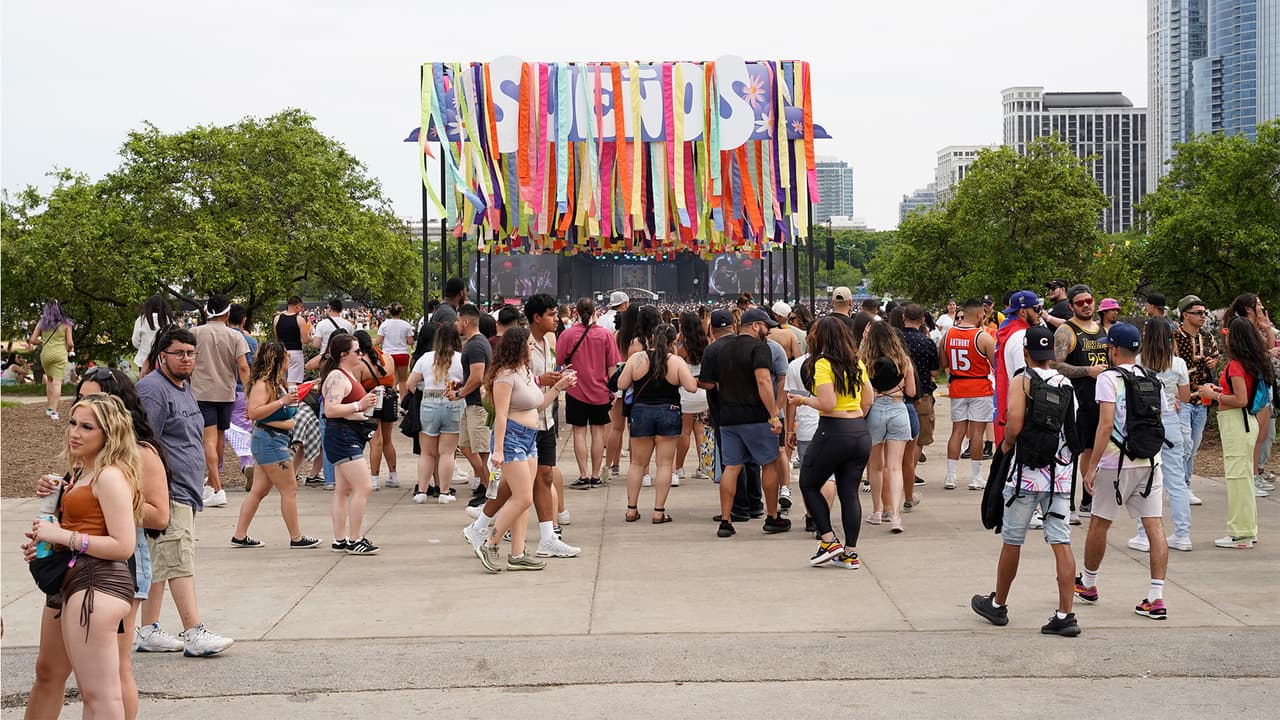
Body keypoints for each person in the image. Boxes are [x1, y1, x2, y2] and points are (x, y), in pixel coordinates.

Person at [26, 370, 171, 720]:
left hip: (99, 579)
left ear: (112, 425)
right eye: (73, 420)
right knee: (56, 676)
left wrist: (64, 537)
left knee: (102, 691)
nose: (75, 431)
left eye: (86, 425)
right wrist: (54, 524)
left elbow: (133, 535)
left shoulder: (117, 469)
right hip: (72, 575)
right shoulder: (83, 469)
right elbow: (80, 520)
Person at [970, 326, 1080, 636]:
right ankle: (1065, 613)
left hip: (1025, 476)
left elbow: (1014, 425)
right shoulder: (1066, 384)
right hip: (1059, 474)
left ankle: (999, 603)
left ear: (1027, 353)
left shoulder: (1022, 380)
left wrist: (1005, 450)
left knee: (1013, 539)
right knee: (1061, 541)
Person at [135, 325, 235, 656]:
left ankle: (147, 630)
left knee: (162, 563)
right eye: (179, 353)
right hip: (168, 491)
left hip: (187, 490)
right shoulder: (152, 391)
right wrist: (155, 489)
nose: (187, 359)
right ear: (161, 355)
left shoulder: (183, 385)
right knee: (179, 561)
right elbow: (143, 445)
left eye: (191, 353)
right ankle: (194, 633)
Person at [1076, 322, 1170, 620]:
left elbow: (1105, 425)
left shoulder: (1108, 379)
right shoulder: (1152, 378)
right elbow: (1161, 416)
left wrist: (1091, 466)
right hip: (1150, 462)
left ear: (1114, 349)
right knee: (1154, 526)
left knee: (1099, 524)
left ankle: (1089, 583)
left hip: (1116, 464)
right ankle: (1156, 597)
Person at [472, 328, 577, 572]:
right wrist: (497, 451)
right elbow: (500, 416)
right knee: (522, 497)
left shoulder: (524, 372)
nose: (532, 347)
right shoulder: (505, 377)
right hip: (511, 440)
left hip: (529, 438)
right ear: (518, 346)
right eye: (529, 344)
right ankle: (489, 542)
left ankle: (517, 554)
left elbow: (538, 405)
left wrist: (560, 387)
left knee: (523, 499)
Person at [788, 316, 873, 568]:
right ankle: (851, 552)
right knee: (849, 492)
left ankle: (828, 539)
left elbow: (827, 403)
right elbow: (868, 398)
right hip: (859, 430)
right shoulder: (856, 361)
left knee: (808, 483)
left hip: (833, 429)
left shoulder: (823, 363)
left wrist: (802, 400)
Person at [699, 307, 790, 537]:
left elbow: (709, 382)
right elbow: (763, 382)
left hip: (728, 418)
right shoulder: (760, 349)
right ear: (756, 326)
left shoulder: (721, 348)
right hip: (757, 417)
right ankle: (771, 516)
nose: (769, 332)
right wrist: (773, 414)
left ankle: (726, 521)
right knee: (768, 463)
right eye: (766, 326)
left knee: (732, 467)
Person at [229, 342, 321, 549]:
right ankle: (296, 537)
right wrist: (283, 403)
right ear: (278, 359)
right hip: (270, 442)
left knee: (259, 491)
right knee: (289, 489)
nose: (290, 360)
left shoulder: (276, 383)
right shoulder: (263, 384)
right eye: (287, 356)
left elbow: (265, 415)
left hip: (272, 440)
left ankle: (239, 535)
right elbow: (254, 413)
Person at [1198, 316, 1274, 549]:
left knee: (1238, 480)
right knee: (1243, 479)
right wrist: (1222, 391)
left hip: (1236, 424)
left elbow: (1240, 399)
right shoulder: (1251, 362)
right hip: (1246, 422)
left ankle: (1240, 534)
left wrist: (1215, 396)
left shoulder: (1236, 365)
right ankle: (1247, 530)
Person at [618, 322, 699, 523]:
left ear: (651, 338)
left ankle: (631, 508)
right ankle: (658, 511)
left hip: (641, 411)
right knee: (664, 464)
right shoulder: (676, 362)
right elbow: (692, 387)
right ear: (674, 341)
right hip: (668, 411)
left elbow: (621, 384)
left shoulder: (637, 359)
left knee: (637, 463)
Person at [1126, 320, 1193, 552]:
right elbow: (1185, 398)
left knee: (1144, 480)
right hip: (1170, 423)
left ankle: (1144, 534)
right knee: (1176, 481)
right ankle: (1182, 534)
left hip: (1144, 424)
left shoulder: (1137, 362)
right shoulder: (1178, 364)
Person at [319, 333, 382, 555]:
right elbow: (331, 409)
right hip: (343, 436)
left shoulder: (345, 375)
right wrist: (359, 404)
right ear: (344, 355)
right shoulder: (337, 377)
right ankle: (355, 539)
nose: (361, 354)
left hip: (348, 434)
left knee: (343, 489)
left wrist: (365, 402)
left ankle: (340, 539)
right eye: (357, 351)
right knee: (363, 486)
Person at [1052, 284, 1110, 521]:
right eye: (1080, 303)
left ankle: (1089, 500)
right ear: (1071, 306)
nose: (1086, 305)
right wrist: (1088, 370)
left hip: (1103, 400)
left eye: (1089, 301)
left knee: (1096, 451)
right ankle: (1069, 504)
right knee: (1073, 452)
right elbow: (1055, 364)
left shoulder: (1103, 330)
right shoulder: (1066, 331)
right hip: (1076, 400)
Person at [190, 294, 251, 508]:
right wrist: (251, 395)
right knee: (218, 439)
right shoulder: (235, 336)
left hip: (201, 393)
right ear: (226, 314)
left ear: (207, 311)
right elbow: (243, 367)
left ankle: (216, 487)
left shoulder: (195, 333)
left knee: (208, 440)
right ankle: (212, 484)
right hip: (226, 393)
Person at [557, 298, 620, 489]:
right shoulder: (605, 335)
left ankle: (583, 475)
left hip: (575, 390)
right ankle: (595, 475)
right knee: (598, 432)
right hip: (601, 391)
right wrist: (613, 391)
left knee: (579, 432)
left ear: (575, 312)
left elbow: (560, 360)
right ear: (595, 312)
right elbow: (612, 367)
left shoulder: (567, 335)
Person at [861, 321, 917, 533]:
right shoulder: (903, 360)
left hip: (874, 409)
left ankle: (877, 511)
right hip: (898, 408)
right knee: (895, 467)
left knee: (875, 466)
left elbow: (862, 392)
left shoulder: (865, 361)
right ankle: (895, 516)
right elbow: (911, 391)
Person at [940, 298, 996, 491]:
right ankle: (975, 476)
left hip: (957, 386)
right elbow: (996, 365)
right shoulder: (983, 337)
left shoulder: (947, 335)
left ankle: (951, 475)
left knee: (957, 431)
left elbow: (943, 362)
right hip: (979, 386)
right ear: (980, 314)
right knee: (977, 432)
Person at [407, 323, 465, 504]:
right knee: (447, 453)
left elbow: (410, 383)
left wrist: (423, 390)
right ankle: (444, 492)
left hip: (429, 402)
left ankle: (422, 491)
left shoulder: (426, 358)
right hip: (452, 403)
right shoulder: (461, 359)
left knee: (427, 453)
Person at [1173, 294, 1218, 506]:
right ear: (1185, 315)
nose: (1203, 316)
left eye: (1204, 312)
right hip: (1181, 398)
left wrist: (1212, 362)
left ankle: (1185, 484)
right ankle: (1182, 485)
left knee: (1193, 445)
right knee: (1185, 443)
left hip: (1202, 398)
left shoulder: (1207, 337)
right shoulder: (1173, 336)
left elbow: (1216, 356)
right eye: (1198, 313)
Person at [454, 303, 494, 505]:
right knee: (466, 445)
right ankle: (486, 485)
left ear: (466, 321)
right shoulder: (476, 343)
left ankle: (490, 491)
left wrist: (460, 392)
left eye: (458, 320)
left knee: (480, 449)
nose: (456, 324)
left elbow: (477, 376)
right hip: (472, 403)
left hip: (478, 404)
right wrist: (460, 387)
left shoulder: (475, 345)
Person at [899, 303, 939, 499]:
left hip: (896, 395)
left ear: (903, 316)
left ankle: (898, 473)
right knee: (918, 440)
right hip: (921, 396)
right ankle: (909, 473)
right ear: (922, 319)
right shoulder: (927, 342)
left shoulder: (895, 341)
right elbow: (934, 372)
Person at [354, 330, 399, 491]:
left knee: (376, 441)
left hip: (371, 400)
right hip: (388, 398)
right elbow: (393, 381)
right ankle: (394, 475)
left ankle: (374, 478)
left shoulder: (359, 364)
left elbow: (356, 388)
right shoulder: (388, 357)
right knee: (387, 440)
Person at [674, 311, 710, 482]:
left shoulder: (681, 349)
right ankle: (703, 467)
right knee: (701, 432)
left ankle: (679, 468)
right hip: (704, 393)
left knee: (684, 432)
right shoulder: (708, 344)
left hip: (686, 394)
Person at [28, 300, 74, 420]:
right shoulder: (66, 324)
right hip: (60, 354)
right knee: (57, 382)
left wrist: (42, 341)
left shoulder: (42, 323)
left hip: (46, 355)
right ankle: (54, 412)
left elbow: (32, 340)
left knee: (49, 380)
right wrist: (69, 349)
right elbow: (70, 343)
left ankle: (49, 408)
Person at [305, 298, 355, 373]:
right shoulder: (349, 325)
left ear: (330, 309)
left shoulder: (322, 324)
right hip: (344, 359)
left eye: (327, 307)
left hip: (326, 358)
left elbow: (316, 344)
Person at [132, 294, 174, 377]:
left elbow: (135, 342)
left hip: (143, 360)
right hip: (163, 361)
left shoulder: (141, 320)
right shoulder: (169, 320)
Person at [272, 295, 311, 384]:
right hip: (295, 352)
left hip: (281, 352)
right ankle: (292, 397)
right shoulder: (300, 319)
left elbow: (277, 337)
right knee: (293, 383)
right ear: (297, 306)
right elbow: (305, 340)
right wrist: (310, 337)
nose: (301, 309)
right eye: (301, 307)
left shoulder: (277, 318)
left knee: (281, 381)